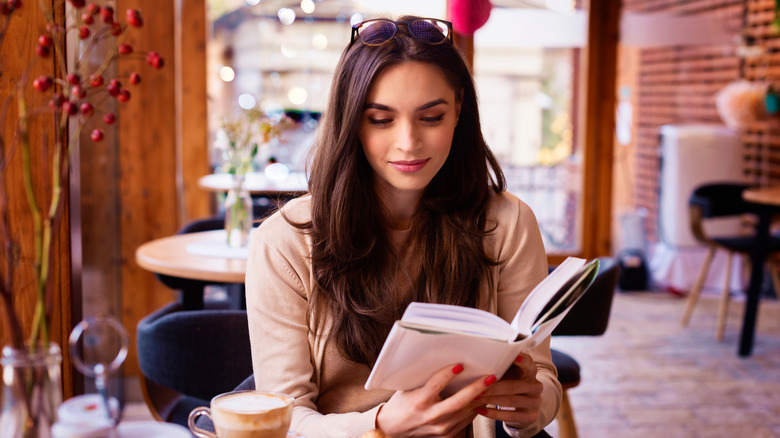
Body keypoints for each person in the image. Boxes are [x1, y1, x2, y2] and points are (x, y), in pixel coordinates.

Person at [246, 16, 561, 438]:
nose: (408, 142)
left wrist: (531, 407)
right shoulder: (284, 243)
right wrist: (382, 425)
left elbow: (541, 374)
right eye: (381, 120)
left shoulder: (507, 223)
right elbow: (283, 420)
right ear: (351, 121)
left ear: (458, 110)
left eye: (431, 117)